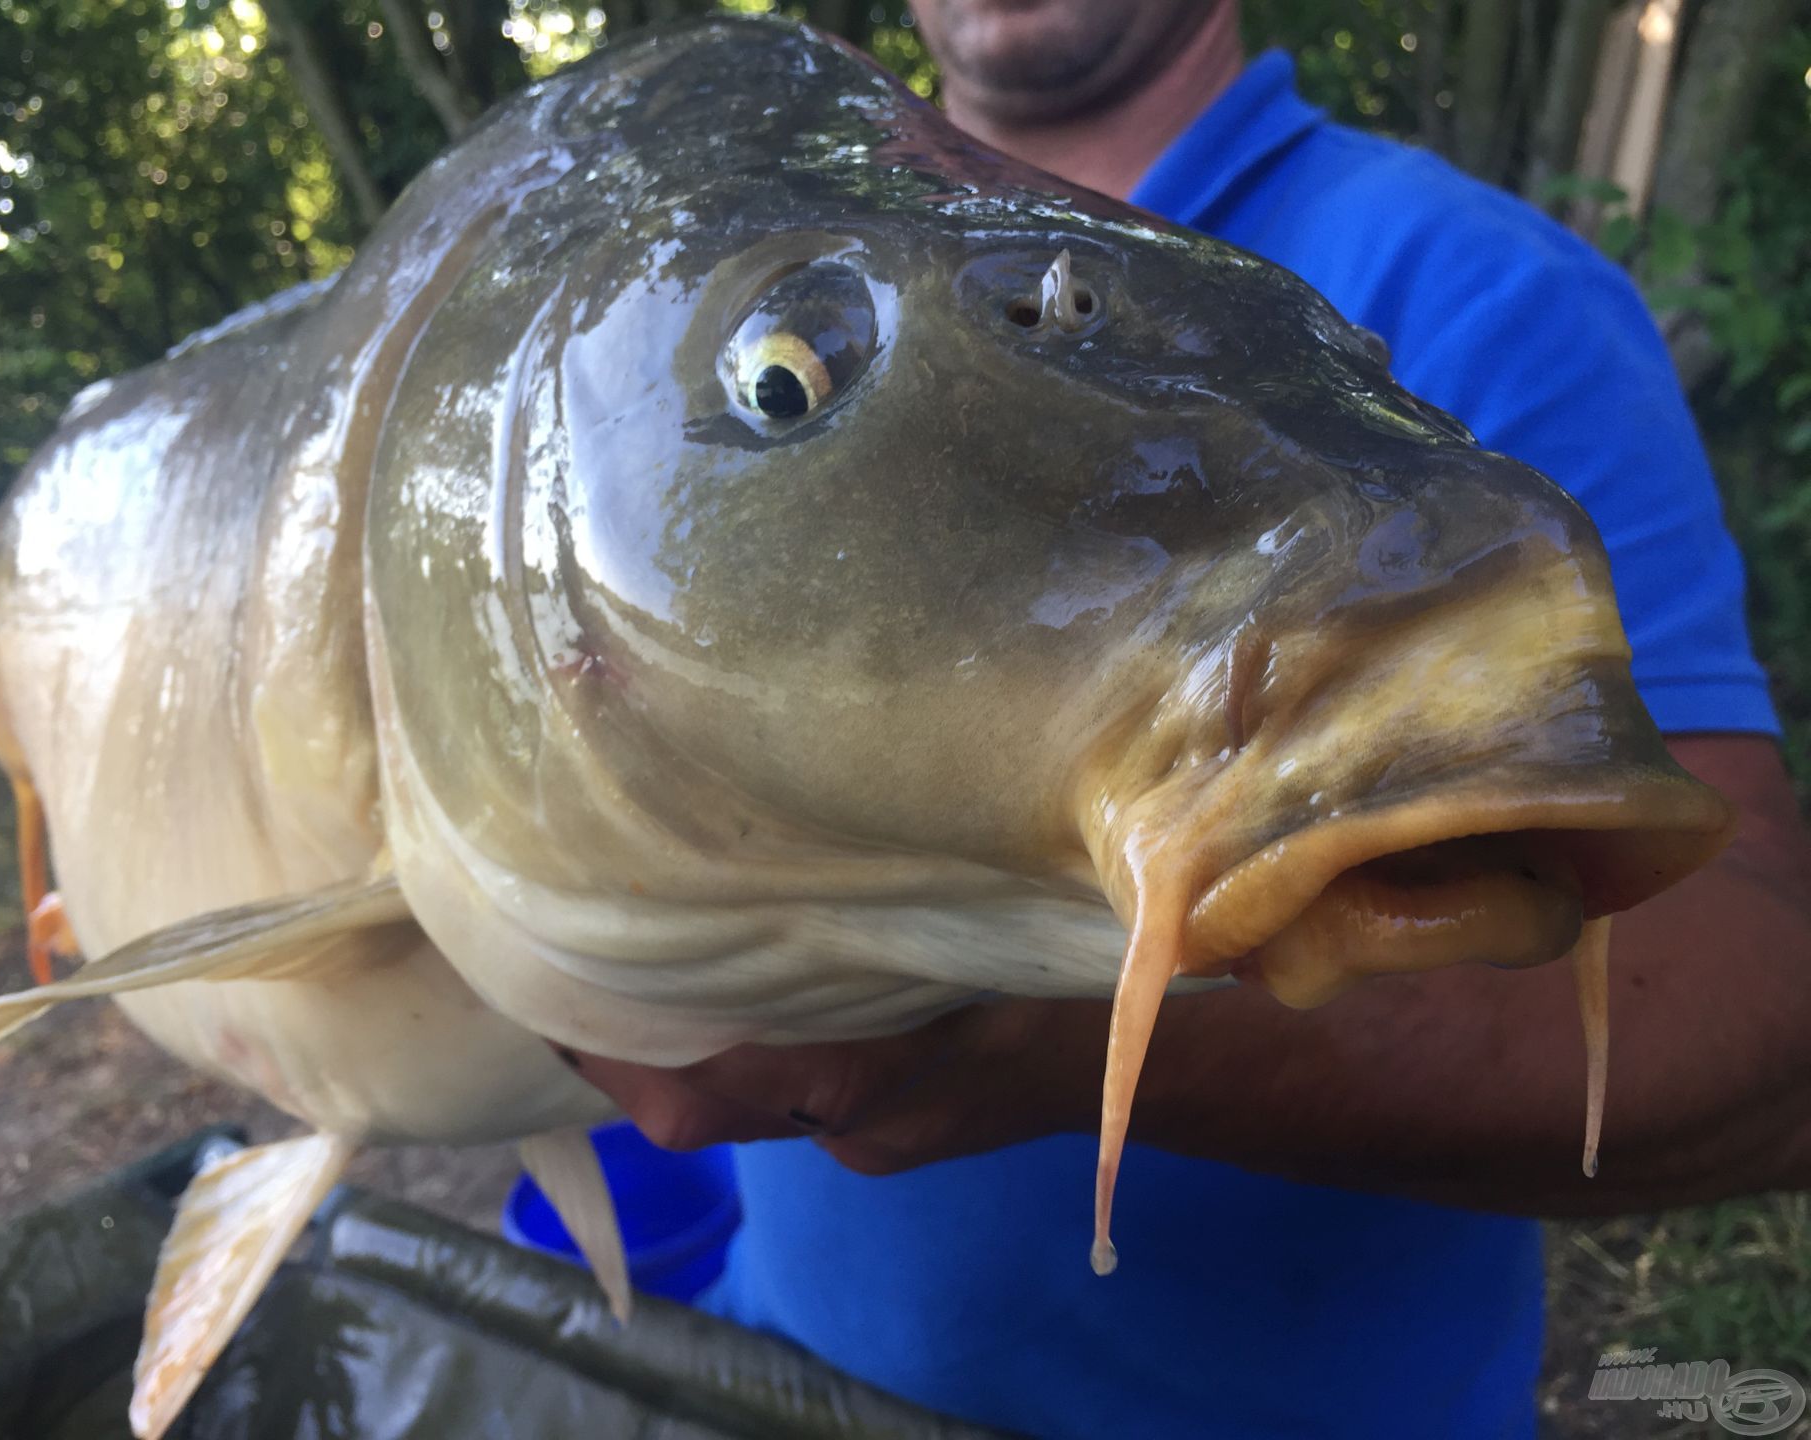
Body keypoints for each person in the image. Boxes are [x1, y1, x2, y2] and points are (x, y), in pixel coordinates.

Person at [571, 3, 1811, 1435]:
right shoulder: (709, 278)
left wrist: (996, 1031)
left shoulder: (1485, 285)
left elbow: (1773, 1028)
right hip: (780, 1376)